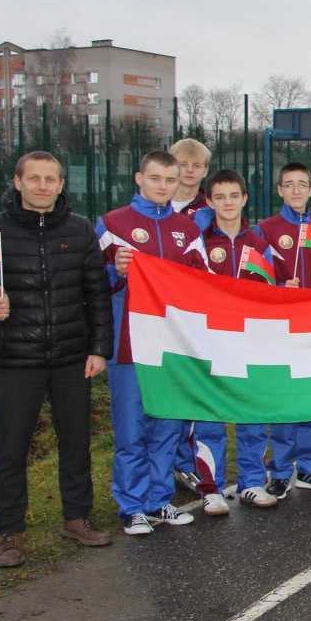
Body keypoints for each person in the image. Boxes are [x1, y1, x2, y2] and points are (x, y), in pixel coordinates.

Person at [0, 152, 115, 567]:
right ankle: (9, 533)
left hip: (72, 357)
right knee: (11, 449)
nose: (42, 186)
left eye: (50, 179)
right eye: (33, 178)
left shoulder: (80, 229)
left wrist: (98, 349)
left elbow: (96, 294)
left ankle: (77, 517)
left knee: (76, 443)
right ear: (17, 182)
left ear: (60, 184)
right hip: (16, 360)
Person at [97, 151, 209, 535]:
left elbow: (204, 286)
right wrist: (115, 272)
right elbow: (89, 282)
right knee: (132, 429)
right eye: (156, 178)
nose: (163, 186)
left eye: (170, 180)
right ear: (139, 179)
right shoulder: (112, 225)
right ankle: (131, 506)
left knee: (167, 427)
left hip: (173, 347)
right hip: (128, 345)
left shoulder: (188, 231)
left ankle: (159, 500)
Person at [190, 170, 279, 512]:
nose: (227, 203)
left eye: (233, 196)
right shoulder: (198, 243)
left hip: (249, 343)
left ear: (244, 199)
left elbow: (268, 292)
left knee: (251, 414)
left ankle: (252, 482)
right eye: (220, 197)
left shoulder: (259, 245)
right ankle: (210, 488)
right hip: (209, 342)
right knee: (209, 416)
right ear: (209, 201)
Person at [254, 162, 311, 497]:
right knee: (284, 400)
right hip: (280, 329)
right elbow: (255, 280)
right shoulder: (265, 230)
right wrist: (277, 288)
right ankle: (279, 471)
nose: (296, 190)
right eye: (289, 185)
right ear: (280, 190)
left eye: (302, 184)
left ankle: (310, 469)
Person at [167, 137, 214, 488]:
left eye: (196, 165)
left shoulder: (210, 208)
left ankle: (189, 461)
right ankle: (164, 461)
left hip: (196, 312)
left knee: (193, 389)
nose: (189, 170)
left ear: (205, 171)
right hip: (159, 310)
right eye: (182, 164)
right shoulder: (154, 204)